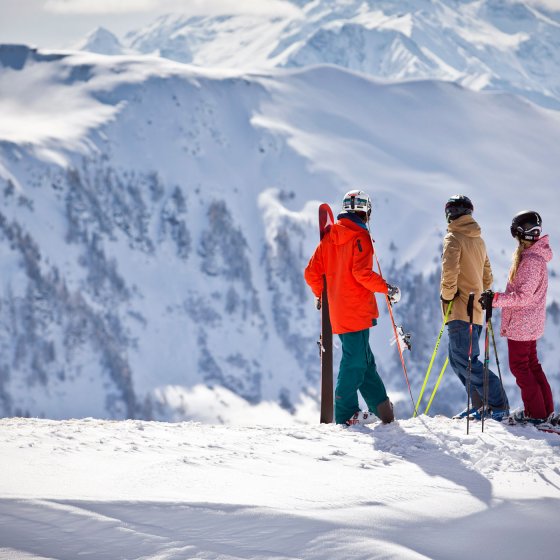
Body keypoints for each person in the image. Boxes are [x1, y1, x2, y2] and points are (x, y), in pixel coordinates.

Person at [304, 190, 399, 426]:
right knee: (355, 362)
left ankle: (382, 409)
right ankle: (346, 414)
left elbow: (311, 273)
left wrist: (322, 296)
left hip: (338, 311)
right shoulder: (360, 237)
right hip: (356, 310)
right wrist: (386, 288)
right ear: (366, 211)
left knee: (364, 361)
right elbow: (361, 273)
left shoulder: (329, 237)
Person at [481, 211, 555, 425]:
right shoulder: (535, 257)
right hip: (528, 322)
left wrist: (494, 299)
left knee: (520, 367)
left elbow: (522, 296)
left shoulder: (532, 261)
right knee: (531, 365)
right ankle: (544, 411)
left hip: (523, 323)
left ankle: (537, 414)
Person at [440, 195, 509, 420]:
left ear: (450, 213)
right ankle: (480, 403)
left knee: (465, 361)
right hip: (476, 311)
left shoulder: (453, 238)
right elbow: (487, 276)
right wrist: (477, 294)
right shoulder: (478, 239)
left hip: (459, 309)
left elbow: (449, 274)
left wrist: (447, 297)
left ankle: (497, 404)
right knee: (457, 359)